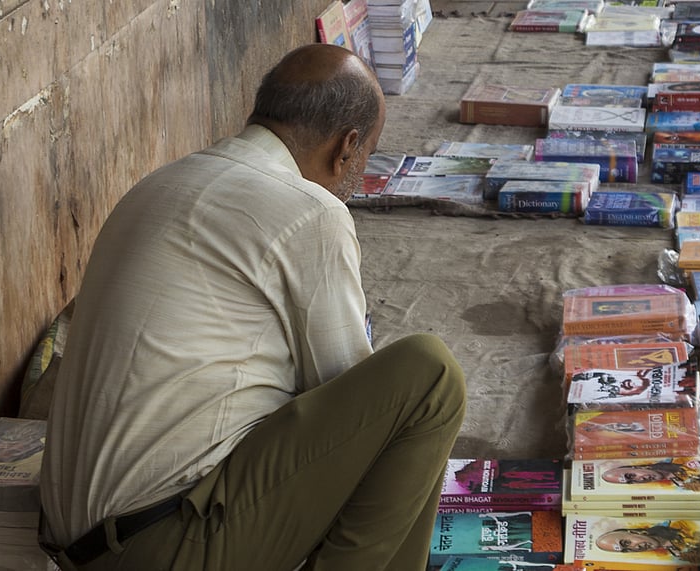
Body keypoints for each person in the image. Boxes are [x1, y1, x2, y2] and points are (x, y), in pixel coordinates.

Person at [38, 44, 467, 571]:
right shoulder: (310, 211)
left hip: (77, 540)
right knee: (429, 379)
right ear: (347, 147)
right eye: (365, 158)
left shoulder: (159, 184)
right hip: (166, 544)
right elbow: (359, 416)